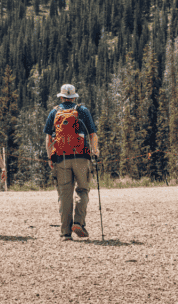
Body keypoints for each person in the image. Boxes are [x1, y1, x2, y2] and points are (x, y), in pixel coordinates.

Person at [44, 83, 99, 241]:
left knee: (65, 194)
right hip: (81, 157)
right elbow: (92, 134)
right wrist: (95, 151)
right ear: (74, 97)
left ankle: (65, 233)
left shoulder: (54, 112)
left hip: (61, 158)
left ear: (61, 97)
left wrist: (50, 157)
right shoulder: (82, 110)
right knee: (82, 190)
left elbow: (49, 138)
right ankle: (78, 223)